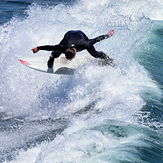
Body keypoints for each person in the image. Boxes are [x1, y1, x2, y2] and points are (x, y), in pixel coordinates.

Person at [32, 30, 115, 68]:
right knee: (55, 53)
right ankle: (51, 58)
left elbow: (96, 39)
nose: (70, 60)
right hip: (69, 34)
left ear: (75, 54)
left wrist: (108, 35)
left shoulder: (85, 44)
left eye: (70, 59)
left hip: (80, 34)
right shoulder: (63, 47)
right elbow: (51, 47)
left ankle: (107, 58)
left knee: (95, 54)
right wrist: (38, 48)